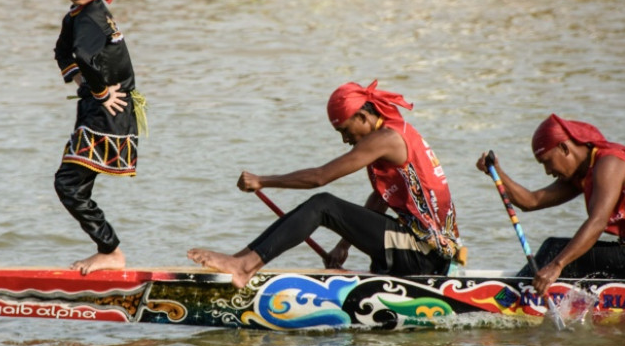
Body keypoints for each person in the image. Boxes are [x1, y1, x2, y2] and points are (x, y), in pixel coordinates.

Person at [188, 81, 464, 288]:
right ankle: (240, 259)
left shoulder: (386, 138)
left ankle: (244, 266)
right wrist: (344, 246)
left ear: (363, 117)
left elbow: (320, 177)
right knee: (326, 206)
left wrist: (263, 181)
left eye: (345, 130)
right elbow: (381, 198)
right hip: (426, 251)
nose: (345, 139)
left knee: (323, 205)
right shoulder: (395, 133)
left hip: (426, 254)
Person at [53, 0, 148, 275]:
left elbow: (82, 53)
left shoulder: (92, 14)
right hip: (97, 109)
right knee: (73, 184)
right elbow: (64, 52)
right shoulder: (77, 15)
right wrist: (81, 82)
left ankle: (110, 251)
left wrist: (101, 92)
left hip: (107, 111)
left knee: (67, 184)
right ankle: (108, 249)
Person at [475, 114, 625, 296]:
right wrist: (496, 172)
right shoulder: (582, 173)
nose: (547, 171)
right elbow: (531, 201)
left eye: (547, 161)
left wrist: (556, 265)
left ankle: (511, 298)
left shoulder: (609, 163)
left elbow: (598, 222)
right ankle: (526, 291)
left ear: (563, 147)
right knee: (557, 251)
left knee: (555, 250)